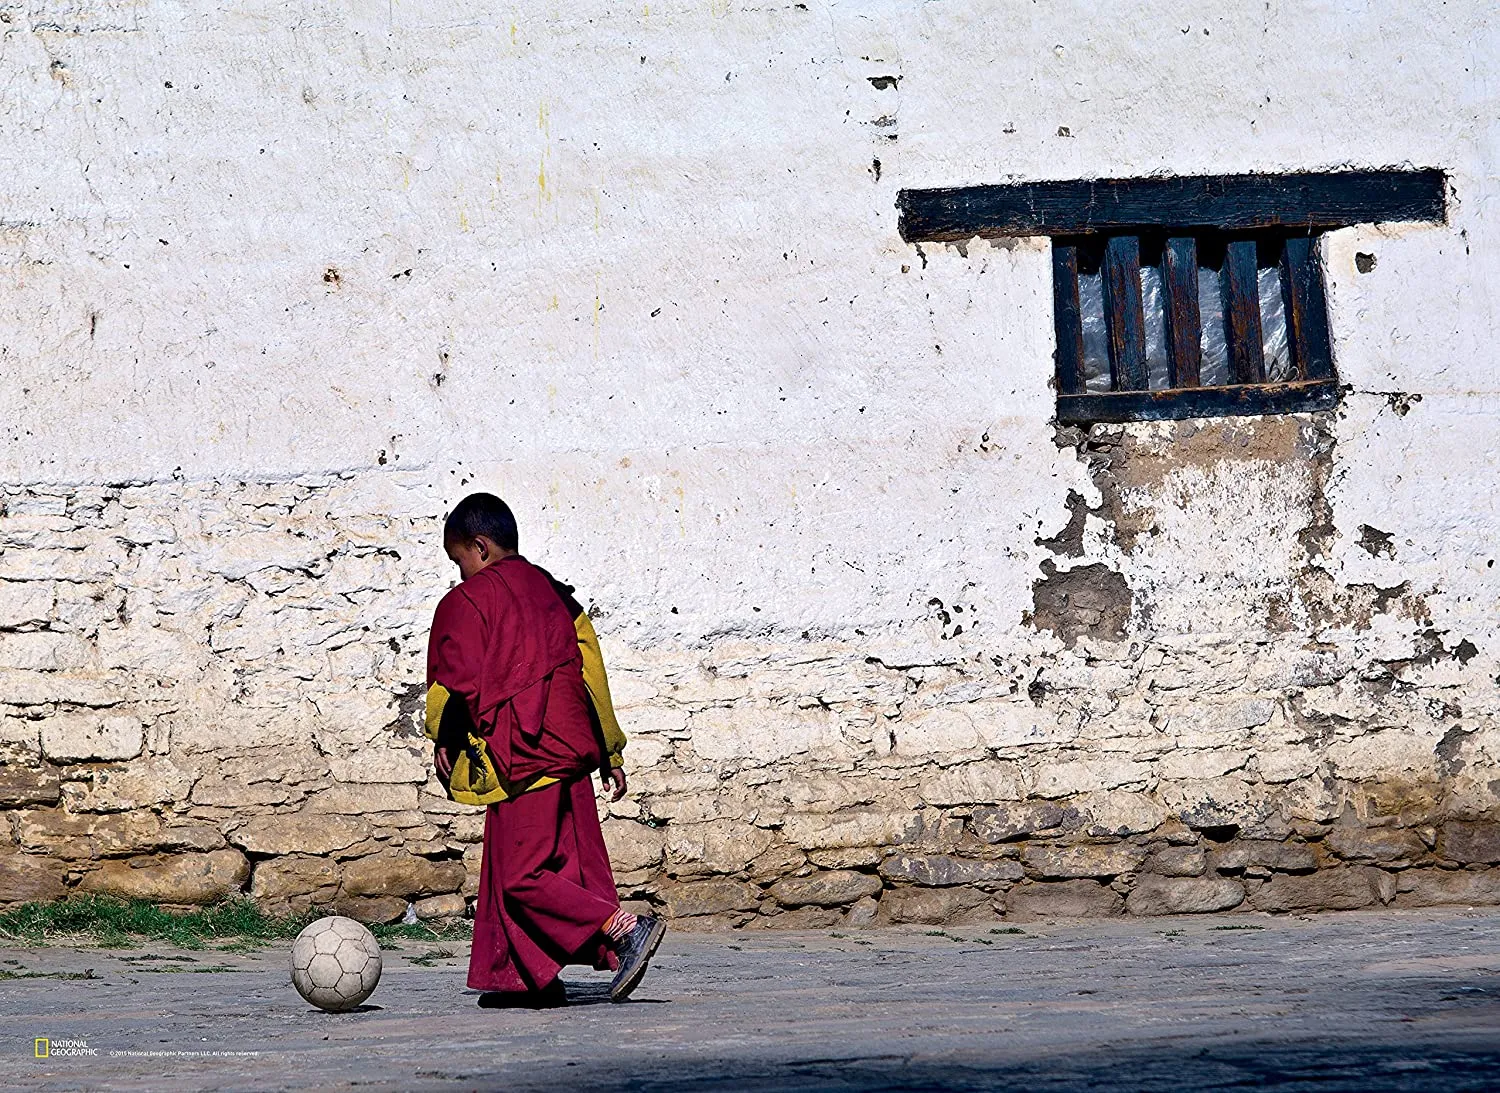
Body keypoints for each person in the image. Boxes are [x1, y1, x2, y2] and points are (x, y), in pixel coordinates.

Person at [424, 492, 665, 1006]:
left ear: (480, 547)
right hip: (572, 752)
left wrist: (444, 736)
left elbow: (453, 679)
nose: (460, 573)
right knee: (544, 867)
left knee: (521, 878)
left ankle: (625, 929)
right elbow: (590, 670)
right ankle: (522, 978)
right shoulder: (556, 594)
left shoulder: (467, 602)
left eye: (458, 560)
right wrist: (609, 750)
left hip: (524, 752)